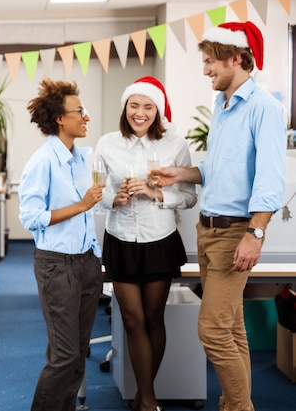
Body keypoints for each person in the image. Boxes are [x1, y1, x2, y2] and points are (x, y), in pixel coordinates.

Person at [158, 21, 286, 411]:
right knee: (231, 329)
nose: (205, 70)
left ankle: (238, 408)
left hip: (235, 234)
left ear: (236, 58)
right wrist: (182, 174)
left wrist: (255, 234)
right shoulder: (223, 105)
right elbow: (221, 169)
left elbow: (269, 178)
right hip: (209, 230)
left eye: (210, 61)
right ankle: (238, 405)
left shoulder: (264, 107)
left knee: (211, 330)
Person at [94, 76, 197, 411]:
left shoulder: (175, 143)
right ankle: (148, 398)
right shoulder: (107, 143)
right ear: (125, 108)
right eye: (134, 105)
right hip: (121, 238)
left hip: (159, 239)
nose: (140, 113)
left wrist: (155, 193)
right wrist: (115, 197)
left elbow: (189, 197)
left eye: (148, 106)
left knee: (154, 318)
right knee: (132, 320)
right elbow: (95, 195)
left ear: (158, 110)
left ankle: (143, 396)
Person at [18, 78, 104, 411]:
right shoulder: (42, 162)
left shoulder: (83, 159)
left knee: (77, 353)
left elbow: (91, 205)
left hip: (86, 263)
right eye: (79, 111)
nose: (86, 117)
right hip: (57, 265)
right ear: (59, 118)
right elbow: (31, 217)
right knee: (65, 355)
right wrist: (81, 206)